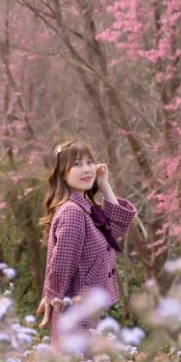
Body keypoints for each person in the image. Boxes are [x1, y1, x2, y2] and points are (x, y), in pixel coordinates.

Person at [35, 139, 137, 347]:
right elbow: (61, 265)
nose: (87, 169)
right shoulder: (73, 212)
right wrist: (52, 297)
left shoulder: (86, 209)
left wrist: (105, 185)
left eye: (89, 162)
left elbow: (115, 230)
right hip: (73, 312)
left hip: (83, 311)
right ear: (62, 173)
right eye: (77, 164)